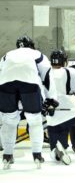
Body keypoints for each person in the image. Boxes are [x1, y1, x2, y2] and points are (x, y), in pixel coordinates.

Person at [0, 36, 58, 169]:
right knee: (34, 120)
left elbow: (1, 74)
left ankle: (7, 155)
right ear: (31, 45)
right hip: (30, 85)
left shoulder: (7, 55)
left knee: (9, 121)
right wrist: (51, 99)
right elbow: (47, 77)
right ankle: (37, 154)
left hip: (5, 86)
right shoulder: (37, 54)